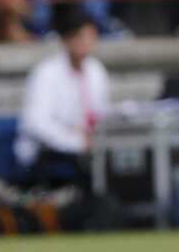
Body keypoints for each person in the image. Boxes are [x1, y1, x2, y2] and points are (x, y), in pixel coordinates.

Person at [13, 11, 110, 186]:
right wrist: (76, 141)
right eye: (80, 37)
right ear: (67, 39)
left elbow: (101, 114)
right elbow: (36, 123)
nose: (86, 42)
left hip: (86, 146)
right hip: (47, 152)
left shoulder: (96, 70)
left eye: (91, 37)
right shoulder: (46, 72)